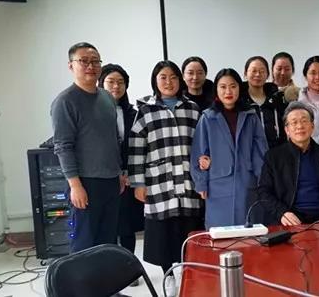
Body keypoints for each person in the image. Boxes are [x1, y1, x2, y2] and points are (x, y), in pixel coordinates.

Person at [128, 60, 203, 296]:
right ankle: (169, 275)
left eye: (173, 77)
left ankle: (186, 274)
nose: (168, 82)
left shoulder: (192, 108)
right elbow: (136, 148)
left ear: (179, 80)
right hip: (159, 182)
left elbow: (202, 143)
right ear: (155, 81)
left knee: (188, 230)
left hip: (188, 180)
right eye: (163, 77)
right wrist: (138, 183)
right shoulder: (146, 110)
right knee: (163, 234)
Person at [50, 42, 123, 253]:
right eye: (84, 61)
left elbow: (112, 139)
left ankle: (107, 276)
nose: (91, 66)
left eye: (95, 61)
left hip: (111, 180)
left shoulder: (107, 97)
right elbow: (63, 146)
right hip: (85, 183)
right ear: (71, 66)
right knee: (84, 242)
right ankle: (83, 277)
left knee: (108, 240)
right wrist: (75, 185)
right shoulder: (65, 101)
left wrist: (118, 172)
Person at [191, 68, 268, 228]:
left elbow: (260, 151)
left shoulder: (250, 116)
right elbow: (199, 153)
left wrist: (262, 181)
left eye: (233, 86)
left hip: (247, 182)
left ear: (240, 88)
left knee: (249, 231)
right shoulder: (207, 118)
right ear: (216, 90)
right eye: (223, 87)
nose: (228, 91)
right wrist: (201, 182)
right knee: (220, 232)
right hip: (217, 185)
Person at [258, 101, 319, 225]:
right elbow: (264, 192)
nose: (300, 126)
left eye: (304, 121)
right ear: (287, 130)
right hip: (291, 220)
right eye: (294, 122)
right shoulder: (273, 157)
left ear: (312, 126)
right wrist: (282, 213)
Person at [98, 64, 144, 280]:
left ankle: (128, 270)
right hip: (105, 176)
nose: (116, 86)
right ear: (101, 84)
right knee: (107, 226)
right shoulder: (94, 112)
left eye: (120, 82)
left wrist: (128, 173)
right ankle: (109, 271)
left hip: (128, 176)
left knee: (127, 226)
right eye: (111, 82)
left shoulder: (133, 114)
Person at [240, 56, 288, 148]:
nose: (258, 74)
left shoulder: (277, 100)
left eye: (262, 71)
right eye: (254, 71)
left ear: (268, 75)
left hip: (276, 153)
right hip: (250, 153)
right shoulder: (240, 102)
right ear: (245, 74)